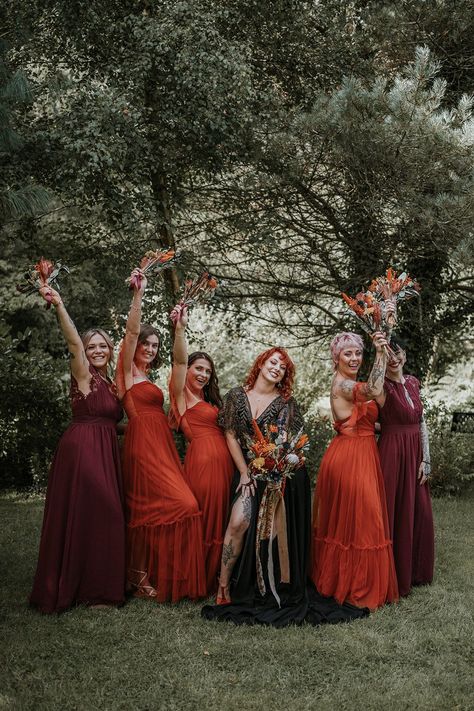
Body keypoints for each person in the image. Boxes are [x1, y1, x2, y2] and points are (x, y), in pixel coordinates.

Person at [202, 347, 368, 626]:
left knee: (269, 531)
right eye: (273, 362)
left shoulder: (286, 404)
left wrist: (275, 472)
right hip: (246, 472)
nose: (277, 368)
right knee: (238, 521)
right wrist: (244, 473)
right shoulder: (235, 396)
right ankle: (223, 586)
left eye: (283, 367)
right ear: (261, 363)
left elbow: (287, 444)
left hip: (276, 478)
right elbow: (230, 435)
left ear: (284, 376)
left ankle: (270, 584)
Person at [30, 285, 125, 613]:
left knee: (94, 516)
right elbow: (72, 342)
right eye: (91, 346)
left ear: (110, 350)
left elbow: (112, 421)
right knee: (108, 511)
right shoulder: (83, 374)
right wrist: (59, 304)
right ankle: (94, 590)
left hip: (105, 449)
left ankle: (92, 588)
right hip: (83, 449)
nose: (97, 351)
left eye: (102, 346)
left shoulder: (110, 382)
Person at [117, 269, 206, 602]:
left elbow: (181, 361)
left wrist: (179, 326)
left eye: (155, 345)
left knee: (170, 505)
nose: (151, 349)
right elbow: (129, 330)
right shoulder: (125, 372)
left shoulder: (150, 379)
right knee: (166, 505)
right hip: (144, 447)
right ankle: (138, 574)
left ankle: (144, 571)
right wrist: (139, 293)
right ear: (135, 345)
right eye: (146, 343)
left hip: (161, 445)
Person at [311, 331, 399, 610]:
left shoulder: (350, 383)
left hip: (362, 453)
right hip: (350, 458)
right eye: (347, 353)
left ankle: (349, 580)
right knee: (363, 521)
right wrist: (381, 353)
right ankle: (357, 587)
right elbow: (373, 391)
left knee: (357, 521)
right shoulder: (342, 385)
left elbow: (362, 420)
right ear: (336, 358)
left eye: (357, 353)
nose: (354, 358)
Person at [168, 306, 234, 595]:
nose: (204, 374)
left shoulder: (209, 401)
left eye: (208, 371)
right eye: (199, 368)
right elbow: (179, 362)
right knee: (205, 518)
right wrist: (180, 329)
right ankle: (196, 578)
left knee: (221, 518)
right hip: (203, 463)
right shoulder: (181, 396)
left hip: (225, 464)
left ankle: (216, 578)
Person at [376, 335, 434, 596]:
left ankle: (416, 571)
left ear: (405, 354)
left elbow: (421, 421)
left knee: (419, 510)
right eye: (388, 356)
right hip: (392, 452)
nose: (394, 358)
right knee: (393, 509)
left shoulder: (412, 382)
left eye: (397, 352)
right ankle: (390, 573)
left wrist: (426, 459)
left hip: (415, 453)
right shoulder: (381, 386)